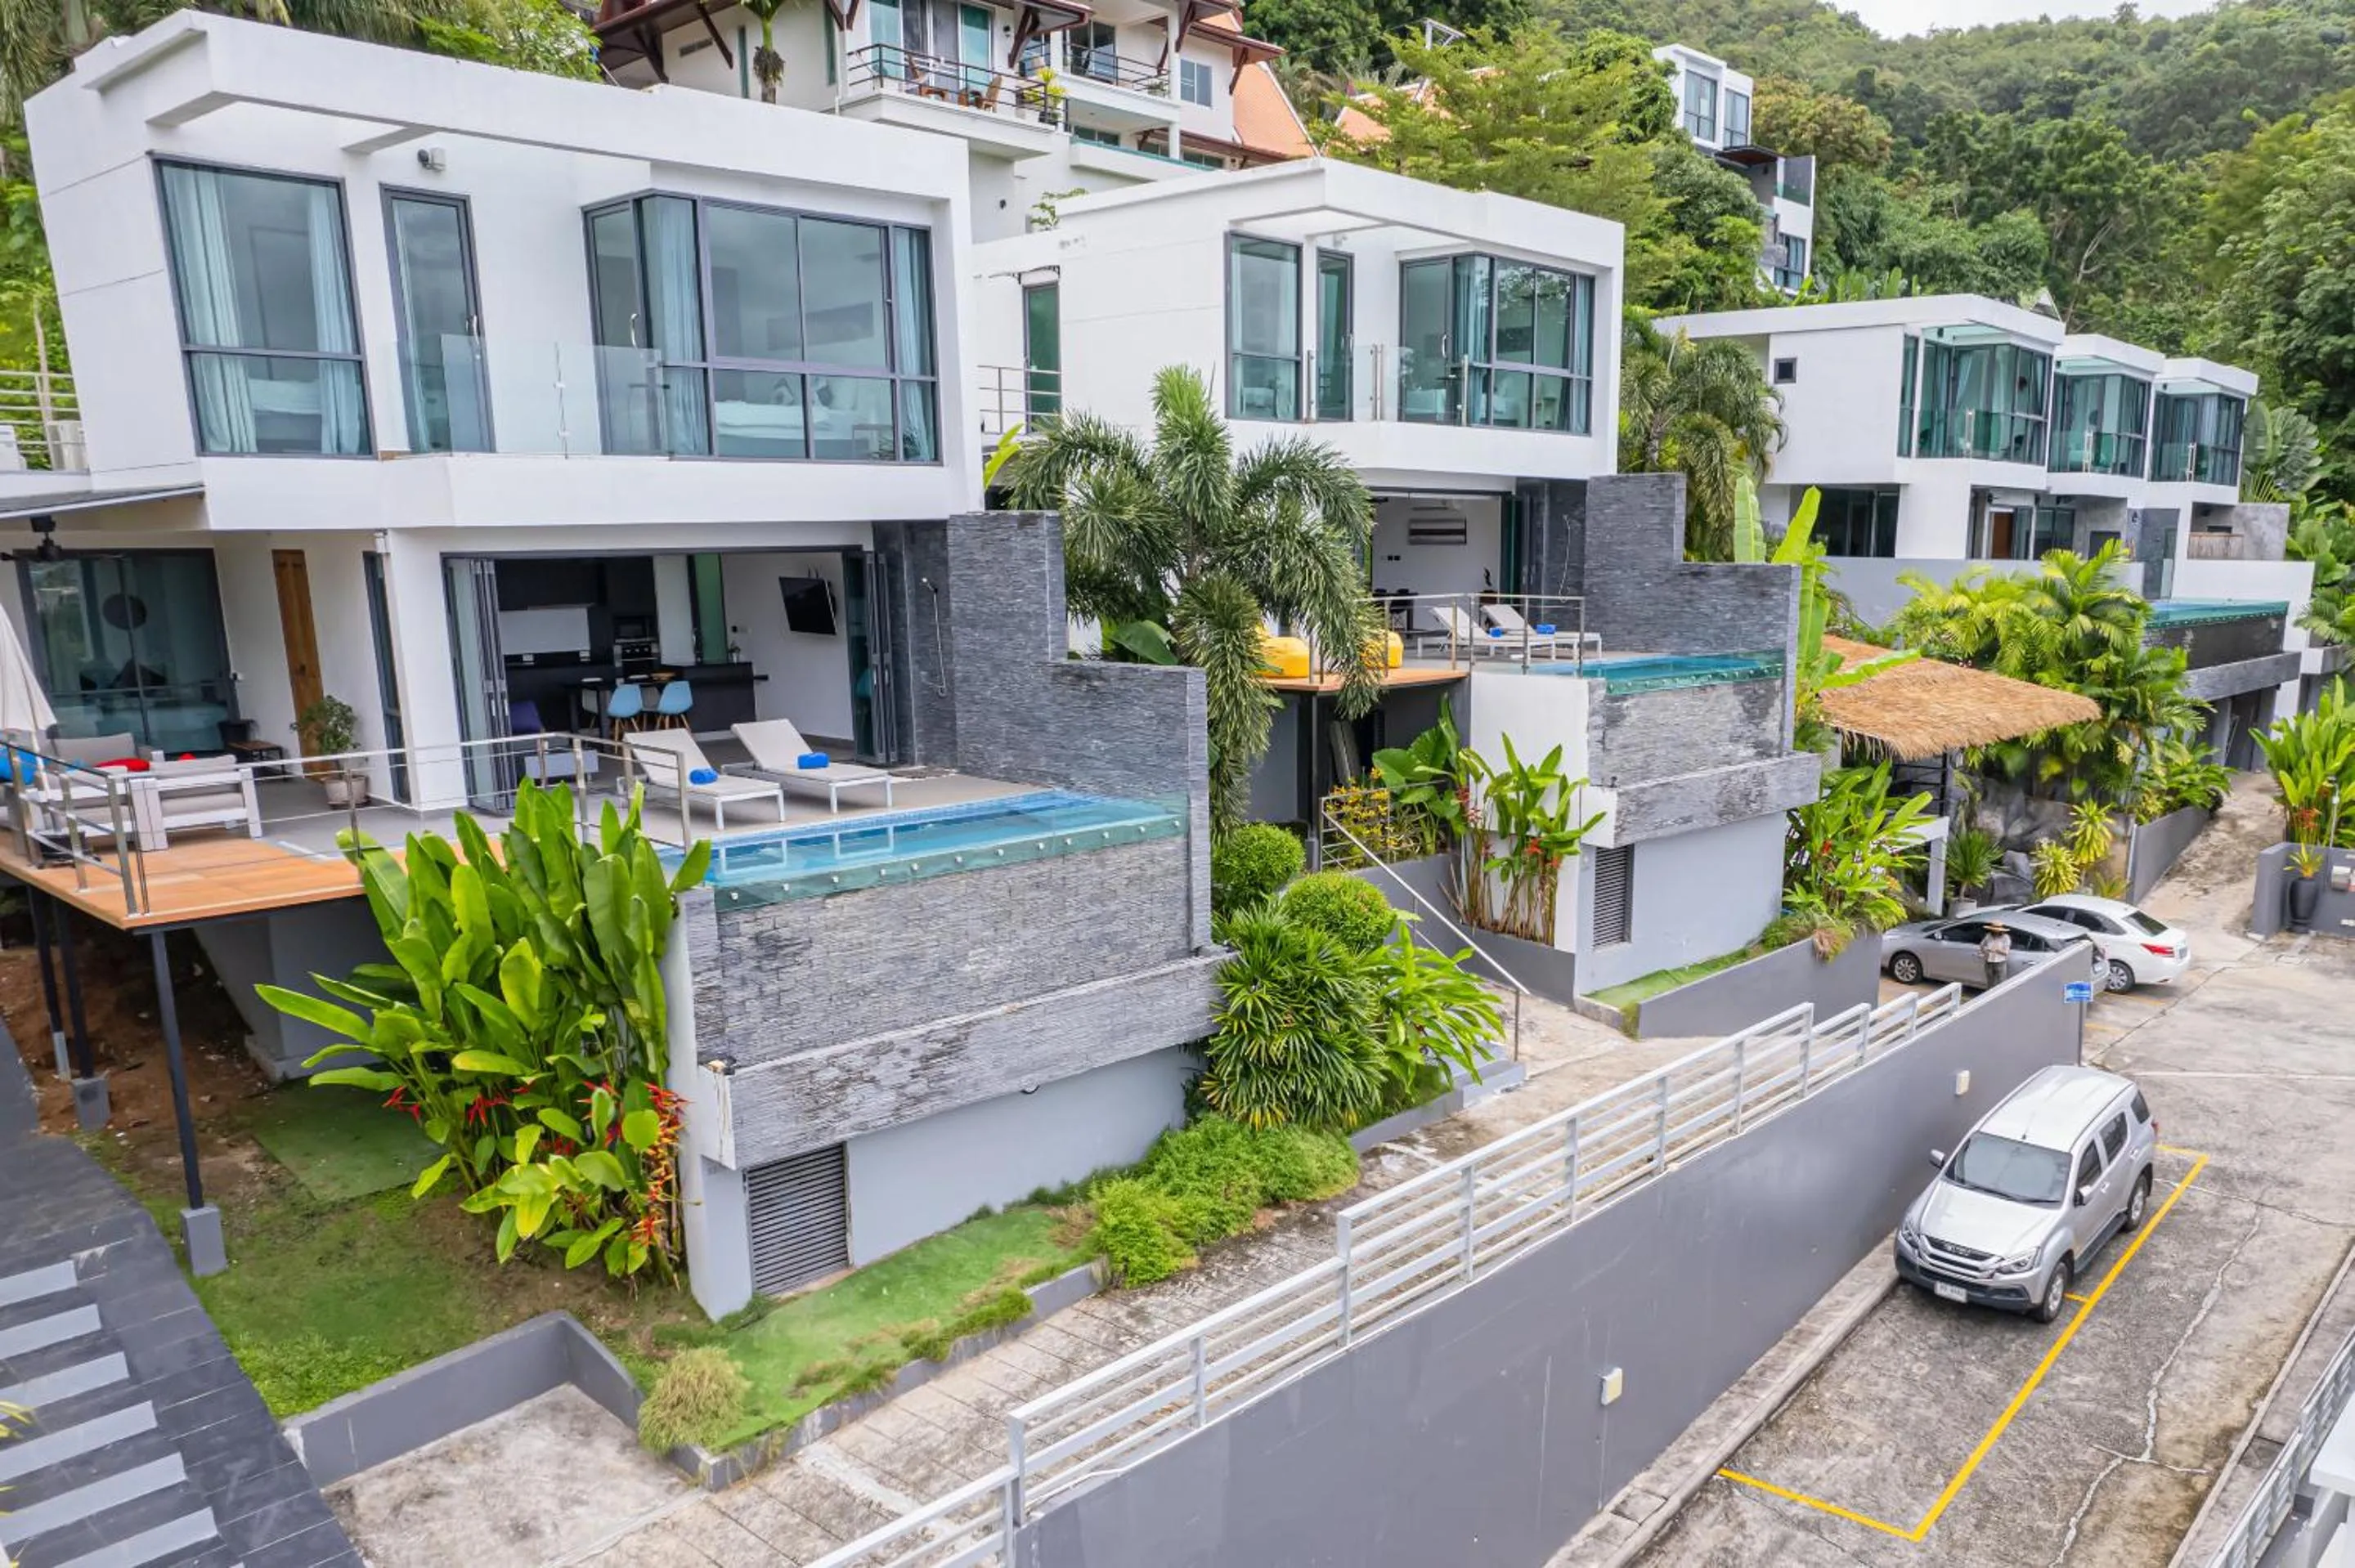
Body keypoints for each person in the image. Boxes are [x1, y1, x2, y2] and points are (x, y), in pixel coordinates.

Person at [1977, 921, 2013, 990]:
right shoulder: (1988, 936)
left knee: (2001, 981)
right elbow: (1982, 945)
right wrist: (1985, 951)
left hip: (2000, 962)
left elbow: (2006, 952)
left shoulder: (2005, 938)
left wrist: (1996, 950)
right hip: (1989, 961)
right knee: (1990, 982)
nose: (1995, 931)